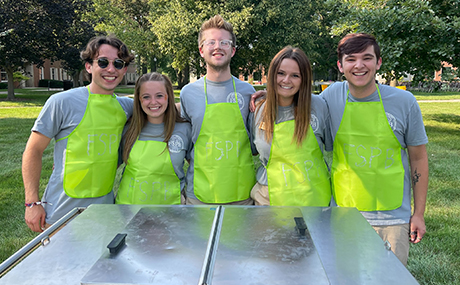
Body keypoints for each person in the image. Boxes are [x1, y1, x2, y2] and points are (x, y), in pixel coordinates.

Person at [321, 33, 428, 265]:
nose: (359, 65)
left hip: (392, 220)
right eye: (351, 59)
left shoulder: (405, 102)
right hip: (344, 214)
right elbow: (295, 102)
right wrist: (268, 96)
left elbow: (418, 159)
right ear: (340, 66)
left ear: (378, 62)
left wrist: (418, 214)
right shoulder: (330, 97)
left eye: (367, 58)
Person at [22, 35, 134, 232]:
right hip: (60, 214)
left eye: (118, 63)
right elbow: (33, 150)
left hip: (104, 212)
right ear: (89, 66)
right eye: (102, 62)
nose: (111, 69)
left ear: (124, 69)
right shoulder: (61, 102)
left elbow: (164, 107)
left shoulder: (127, 107)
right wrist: (32, 203)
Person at [180, 15, 256, 205]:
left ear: (233, 50)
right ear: (201, 50)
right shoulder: (188, 93)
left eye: (224, 42)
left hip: (242, 194)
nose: (217, 47)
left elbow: (256, 145)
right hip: (198, 195)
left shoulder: (248, 92)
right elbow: (184, 142)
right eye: (211, 42)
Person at [250, 46, 332, 206]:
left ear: (304, 79)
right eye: (281, 73)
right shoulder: (257, 110)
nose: (286, 80)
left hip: (315, 200)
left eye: (295, 75)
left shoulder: (319, 106)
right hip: (268, 199)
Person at [116, 73, 192, 205]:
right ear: (139, 100)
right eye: (146, 97)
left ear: (168, 97)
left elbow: (195, 170)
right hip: (128, 210)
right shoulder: (127, 129)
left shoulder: (184, 129)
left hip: (171, 212)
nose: (153, 102)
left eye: (159, 96)